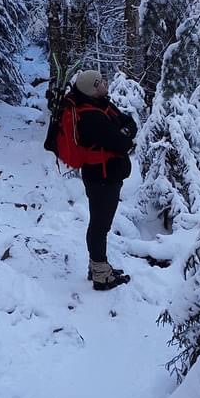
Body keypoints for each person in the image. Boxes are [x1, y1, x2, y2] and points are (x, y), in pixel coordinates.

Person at [70, 70, 137, 290]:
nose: (104, 84)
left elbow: (129, 123)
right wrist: (124, 133)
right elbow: (123, 141)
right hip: (101, 178)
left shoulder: (100, 105)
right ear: (92, 88)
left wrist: (124, 131)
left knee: (99, 224)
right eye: (99, 82)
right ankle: (100, 274)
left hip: (105, 176)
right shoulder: (91, 116)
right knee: (100, 225)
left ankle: (98, 265)